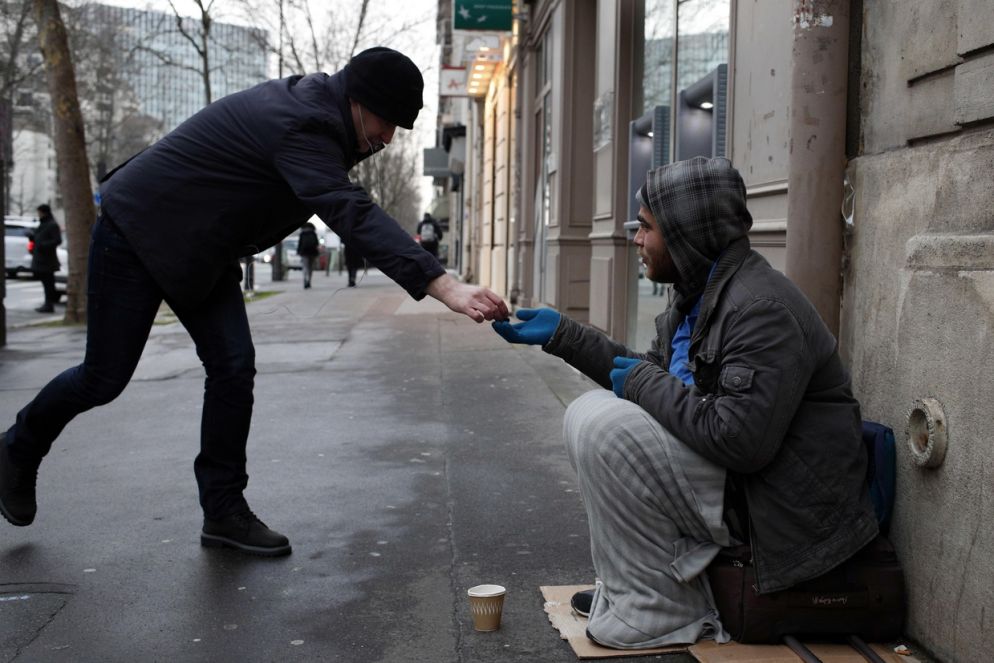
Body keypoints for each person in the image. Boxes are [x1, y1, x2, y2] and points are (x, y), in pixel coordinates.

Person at [0, 46, 508, 558]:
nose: (388, 137)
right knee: (103, 378)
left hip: (203, 246)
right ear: (358, 101)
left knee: (233, 366)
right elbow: (348, 210)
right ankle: (16, 451)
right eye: (387, 122)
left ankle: (223, 510)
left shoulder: (327, 118)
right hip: (136, 230)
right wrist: (442, 285)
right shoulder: (304, 122)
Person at [493, 157, 877, 648]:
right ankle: (640, 590)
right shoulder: (697, 296)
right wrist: (565, 336)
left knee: (605, 429)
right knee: (591, 416)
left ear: (685, 234)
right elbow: (653, 379)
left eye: (647, 227)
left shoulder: (761, 308)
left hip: (782, 510)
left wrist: (642, 384)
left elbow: (739, 441)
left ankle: (661, 609)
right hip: (745, 485)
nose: (636, 239)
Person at [30, 204, 62, 313]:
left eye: (39, 212)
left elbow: (57, 240)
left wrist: (43, 245)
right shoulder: (43, 224)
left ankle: (49, 304)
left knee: (48, 283)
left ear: (44, 212)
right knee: (46, 282)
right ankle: (48, 303)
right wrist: (32, 237)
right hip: (41, 258)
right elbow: (38, 238)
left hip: (47, 260)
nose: (38, 214)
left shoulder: (51, 225)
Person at [296, 221, 320, 289]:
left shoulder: (302, 233)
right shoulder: (313, 233)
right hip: (312, 252)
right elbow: (317, 243)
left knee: (305, 267)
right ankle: (309, 281)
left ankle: (305, 279)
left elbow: (300, 243)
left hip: (304, 252)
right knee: (310, 267)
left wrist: (298, 251)